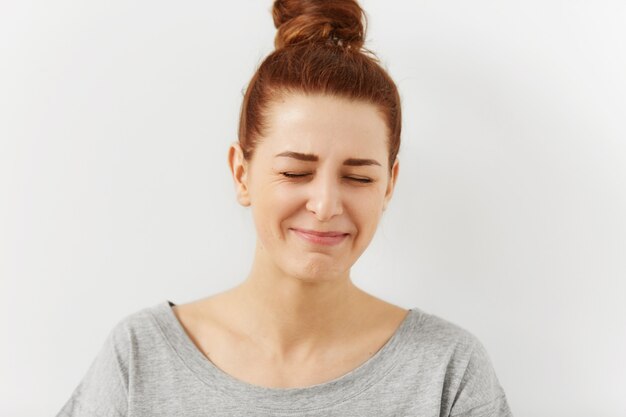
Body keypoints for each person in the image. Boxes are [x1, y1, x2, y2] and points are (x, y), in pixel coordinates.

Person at [57, 0, 513, 416]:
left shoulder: (447, 372)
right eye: (296, 172)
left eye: (359, 178)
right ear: (242, 173)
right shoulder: (140, 359)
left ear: (389, 186)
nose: (325, 205)